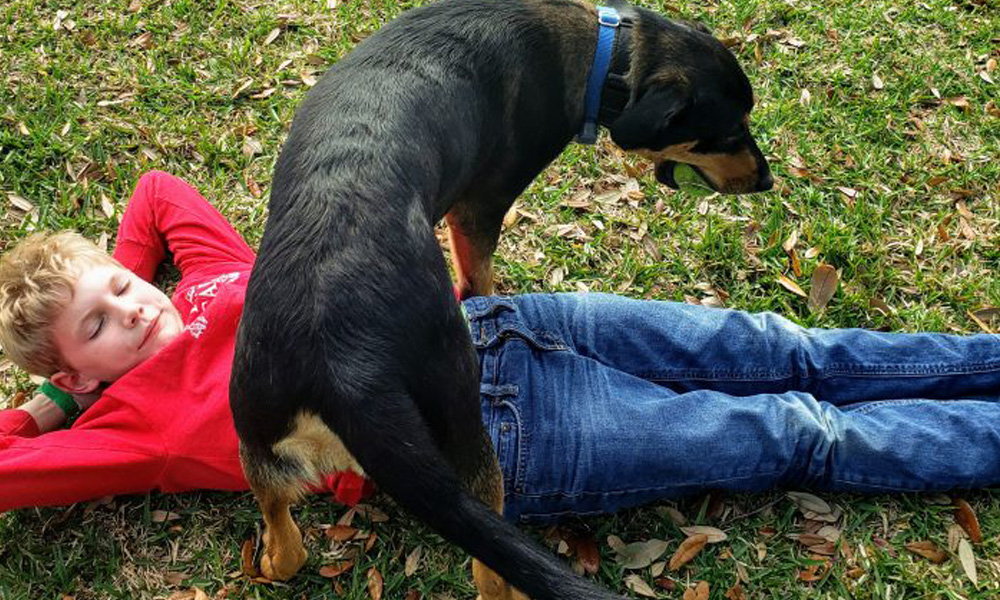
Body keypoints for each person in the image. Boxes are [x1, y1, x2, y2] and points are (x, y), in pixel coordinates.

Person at [1, 171, 999, 523]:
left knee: (786, 347)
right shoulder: (135, 422)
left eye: (123, 287)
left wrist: (112, 275)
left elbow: (156, 194)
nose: (133, 307)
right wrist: (55, 410)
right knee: (791, 430)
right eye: (99, 324)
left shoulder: (208, 278)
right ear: (78, 368)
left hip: (502, 325)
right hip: (489, 436)